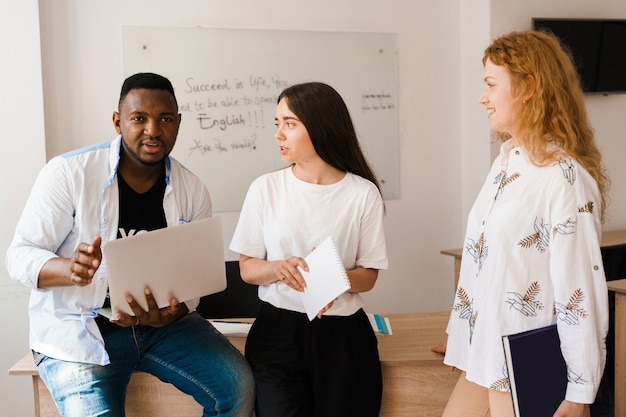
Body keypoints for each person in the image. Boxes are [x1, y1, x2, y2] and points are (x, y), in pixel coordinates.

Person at [6, 72, 254, 417]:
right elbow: (19, 256)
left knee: (238, 389)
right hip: (79, 326)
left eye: (165, 119)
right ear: (118, 121)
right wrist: (69, 270)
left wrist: (173, 312)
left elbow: (194, 283)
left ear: (178, 123)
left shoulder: (192, 189)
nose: (153, 130)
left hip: (165, 330)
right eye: (139, 118)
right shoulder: (68, 173)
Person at [442, 30, 610, 417]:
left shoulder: (564, 178)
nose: (482, 97)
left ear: (528, 86)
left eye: (490, 85)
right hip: (485, 355)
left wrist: (580, 392)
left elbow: (578, 292)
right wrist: (462, 335)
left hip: (525, 361)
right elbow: (486, 265)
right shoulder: (505, 163)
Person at [229, 82, 388, 417]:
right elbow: (247, 267)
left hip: (344, 336)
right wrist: (277, 269)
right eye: (277, 124)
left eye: (290, 124)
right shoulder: (265, 189)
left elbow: (369, 275)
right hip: (277, 335)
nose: (278, 135)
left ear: (319, 126)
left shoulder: (363, 193)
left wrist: (335, 279)